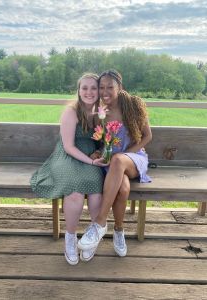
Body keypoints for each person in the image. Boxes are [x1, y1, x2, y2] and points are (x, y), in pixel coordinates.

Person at [31, 73, 107, 265]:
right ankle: (70, 238)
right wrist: (90, 162)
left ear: (99, 90)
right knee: (75, 192)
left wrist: (100, 154)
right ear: (78, 90)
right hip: (68, 155)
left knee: (96, 191)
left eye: (93, 88)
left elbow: (106, 140)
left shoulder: (102, 112)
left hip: (90, 156)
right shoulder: (71, 111)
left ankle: (92, 238)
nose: (89, 92)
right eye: (84, 88)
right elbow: (68, 147)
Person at [78, 69, 152, 257]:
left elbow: (147, 136)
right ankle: (119, 231)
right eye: (101, 87)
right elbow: (102, 142)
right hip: (113, 162)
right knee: (123, 189)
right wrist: (97, 152)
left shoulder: (134, 105)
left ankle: (100, 222)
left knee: (119, 160)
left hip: (135, 158)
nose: (105, 92)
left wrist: (127, 154)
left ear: (120, 87)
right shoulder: (101, 113)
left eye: (110, 87)